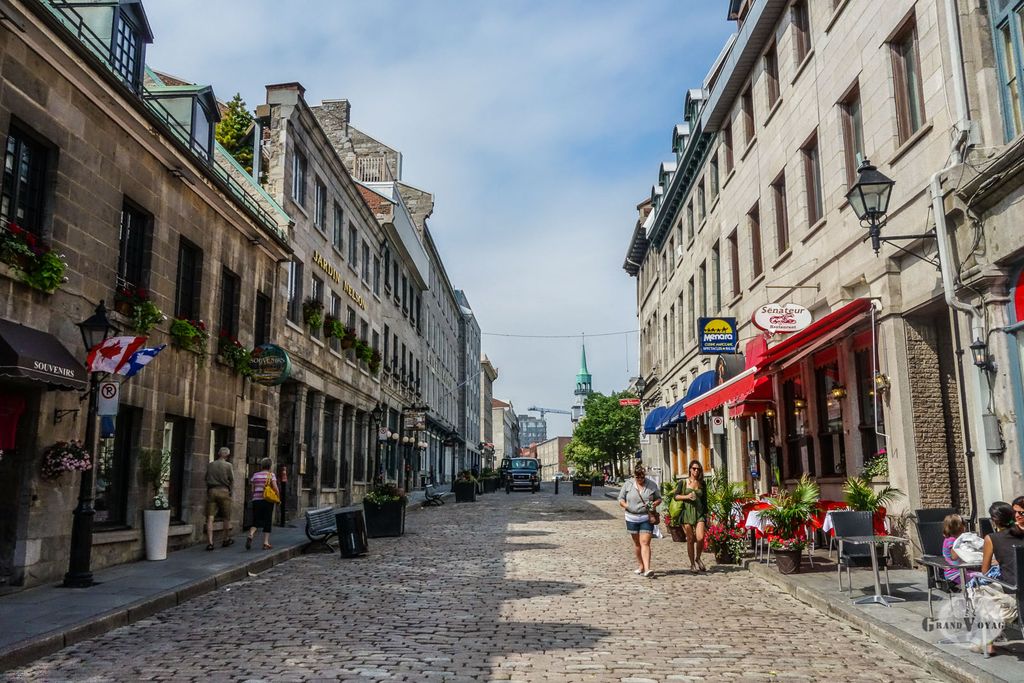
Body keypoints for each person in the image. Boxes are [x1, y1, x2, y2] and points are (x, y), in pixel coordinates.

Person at [618, 463, 661, 578]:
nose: (640, 479)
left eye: (642, 476)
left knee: (645, 543)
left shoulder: (651, 485)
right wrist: (626, 505)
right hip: (631, 517)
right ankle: (641, 565)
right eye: (638, 477)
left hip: (646, 517)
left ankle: (647, 569)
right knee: (637, 544)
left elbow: (659, 498)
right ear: (634, 476)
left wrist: (654, 503)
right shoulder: (628, 484)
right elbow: (620, 498)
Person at [673, 460, 708, 572]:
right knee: (690, 539)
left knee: (700, 537)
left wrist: (707, 514)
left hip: (699, 513)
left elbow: (704, 500)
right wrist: (687, 496)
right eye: (694, 468)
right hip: (687, 513)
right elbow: (676, 496)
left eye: (698, 469)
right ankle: (692, 564)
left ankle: (698, 558)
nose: (696, 471)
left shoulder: (702, 483)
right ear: (690, 469)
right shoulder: (683, 483)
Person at [204, 447, 234, 551]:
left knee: (210, 518)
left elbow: (206, 478)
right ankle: (225, 539)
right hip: (224, 491)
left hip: (212, 491)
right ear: (227, 455)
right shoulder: (228, 465)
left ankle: (210, 542)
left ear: (218, 453)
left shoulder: (211, 464)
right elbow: (232, 479)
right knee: (226, 517)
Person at [247, 458, 279, 550]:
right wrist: (278, 497)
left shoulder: (255, 475)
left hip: (256, 500)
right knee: (267, 520)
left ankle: (251, 534)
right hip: (268, 501)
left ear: (262, 465)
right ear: (270, 466)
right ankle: (265, 542)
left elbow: (252, 490)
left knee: (256, 520)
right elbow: (276, 488)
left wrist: (254, 497)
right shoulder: (271, 475)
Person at [940, 514, 966, 584]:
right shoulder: (952, 541)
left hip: (959, 571)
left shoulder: (952, 539)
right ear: (959, 528)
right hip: (954, 574)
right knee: (983, 577)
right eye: (963, 525)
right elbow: (954, 557)